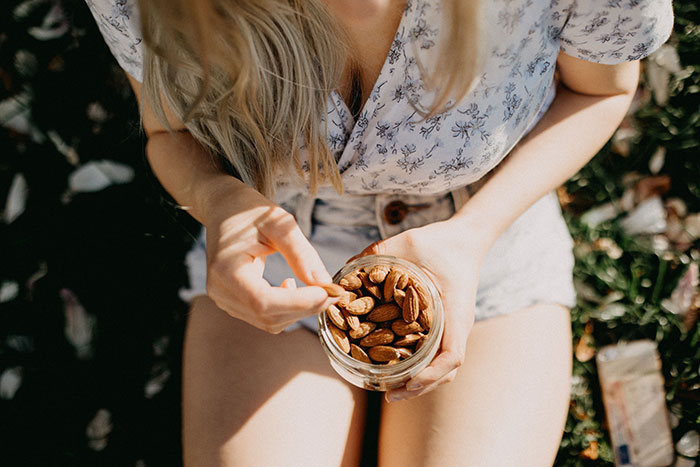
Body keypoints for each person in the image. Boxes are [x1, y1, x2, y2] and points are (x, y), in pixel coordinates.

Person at [85, 0, 673, 465]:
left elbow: (602, 90)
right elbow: (170, 134)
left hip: (486, 239)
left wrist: (474, 233)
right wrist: (220, 202)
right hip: (279, 254)